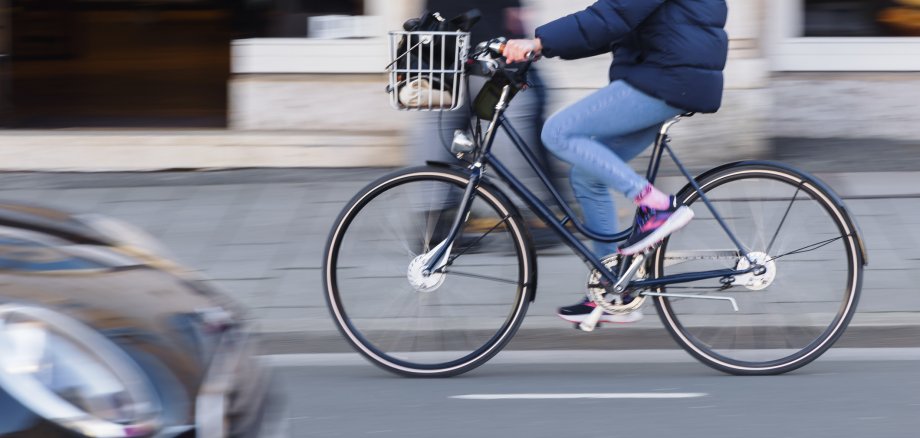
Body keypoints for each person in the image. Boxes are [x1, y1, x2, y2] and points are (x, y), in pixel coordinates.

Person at [502, 0, 729, 324]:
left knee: (558, 131)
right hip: (670, 74)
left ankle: (658, 206)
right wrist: (543, 49)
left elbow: (611, 15)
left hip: (667, 76)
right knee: (587, 176)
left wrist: (539, 41)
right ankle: (611, 290)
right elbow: (612, 24)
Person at [410, 0, 558, 247]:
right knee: (509, 115)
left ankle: (434, 223)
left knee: (443, 120)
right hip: (486, 30)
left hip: (440, 33)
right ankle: (529, 217)